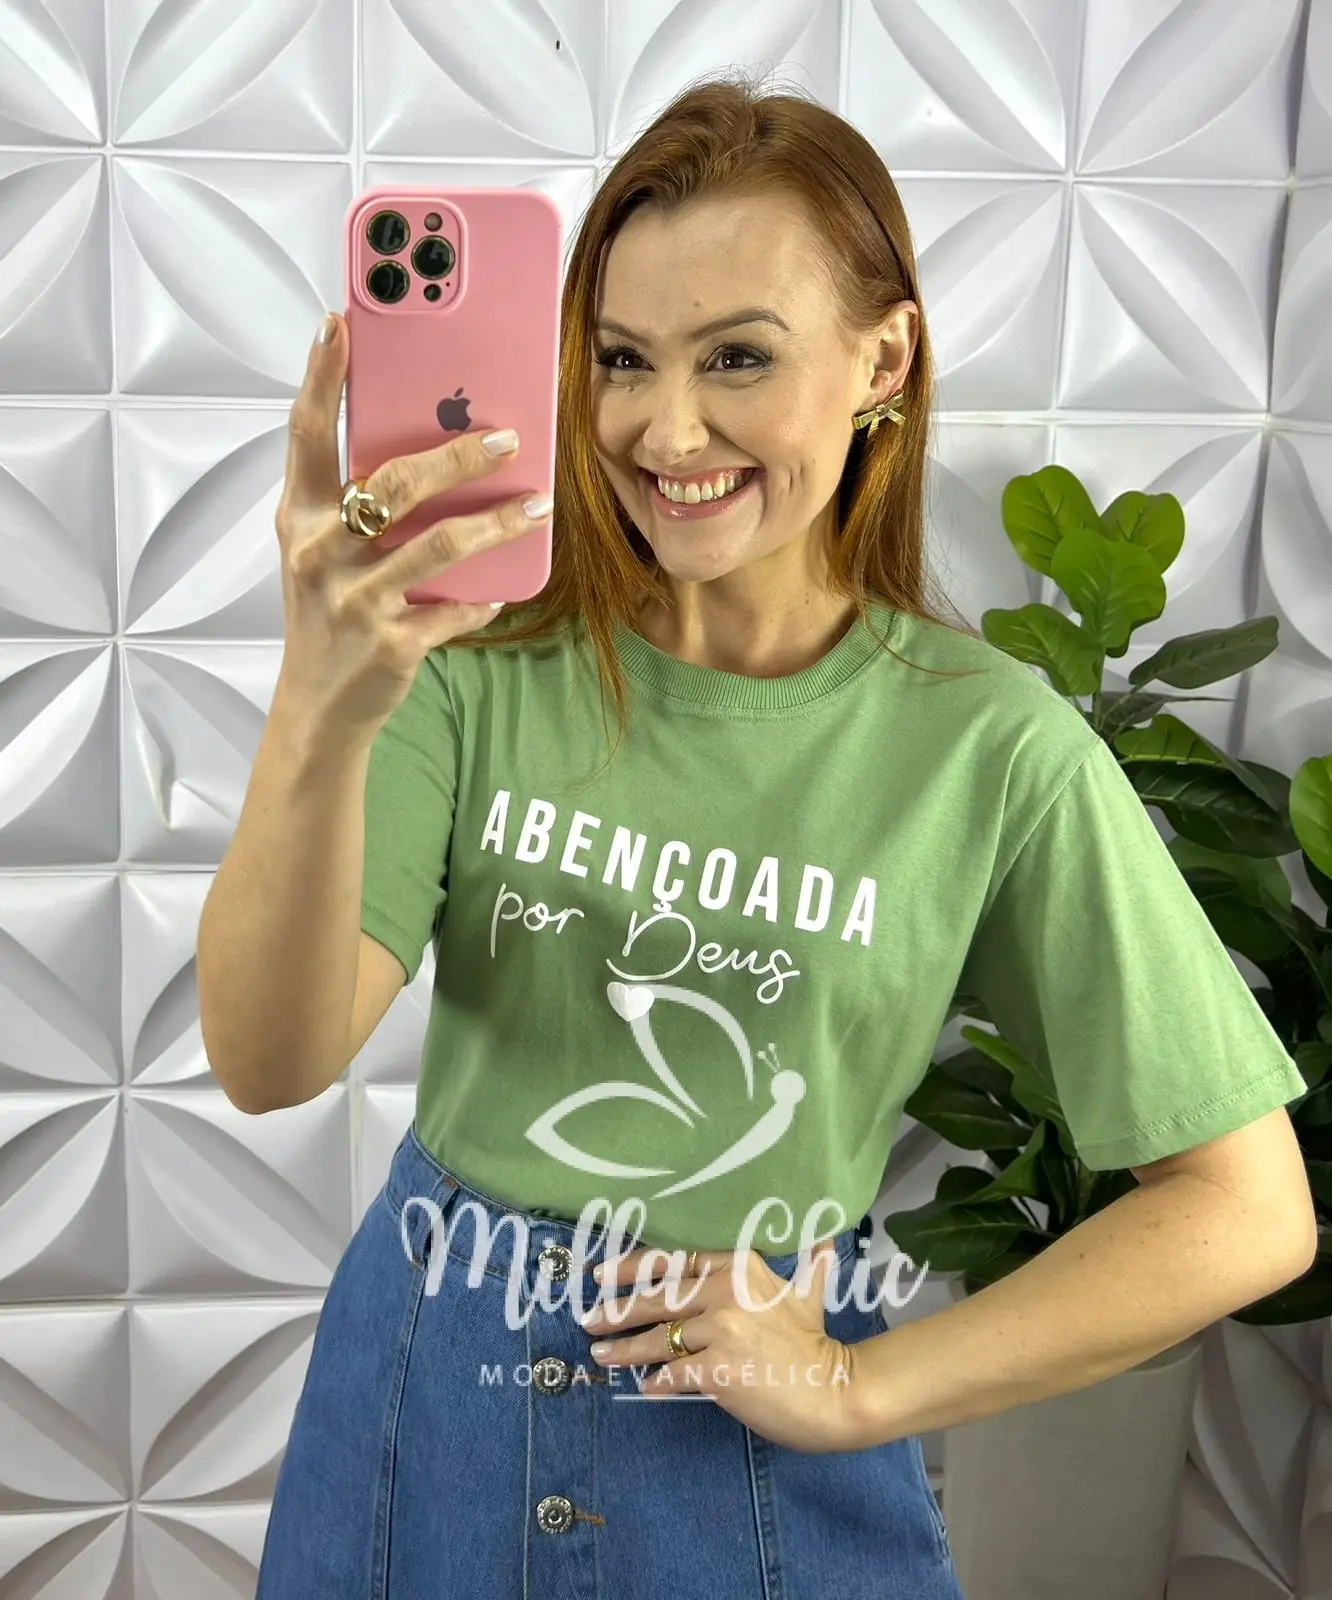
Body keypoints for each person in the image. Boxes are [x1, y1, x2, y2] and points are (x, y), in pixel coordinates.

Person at [198, 72, 1315, 1600]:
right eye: (621, 360)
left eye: (737, 356)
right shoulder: (469, 664)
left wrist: (861, 1385)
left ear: (882, 360)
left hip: (749, 1451)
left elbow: (1247, 1209)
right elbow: (269, 1062)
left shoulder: (993, 752)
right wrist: (319, 704)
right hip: (426, 1408)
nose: (666, 430)